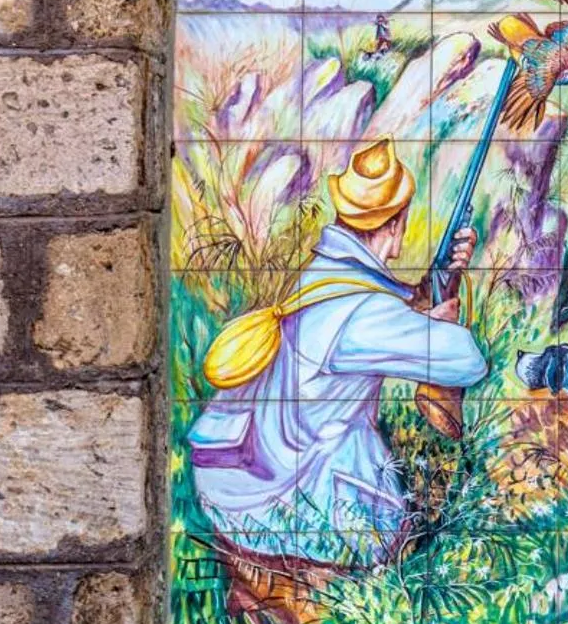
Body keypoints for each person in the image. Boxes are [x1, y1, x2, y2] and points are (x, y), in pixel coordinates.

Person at [188, 137, 485, 593]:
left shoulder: (324, 278)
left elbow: (382, 321)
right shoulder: (363, 313)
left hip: (234, 488)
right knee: (385, 513)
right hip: (280, 510)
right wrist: (443, 322)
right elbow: (466, 360)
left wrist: (441, 283)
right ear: (397, 224)